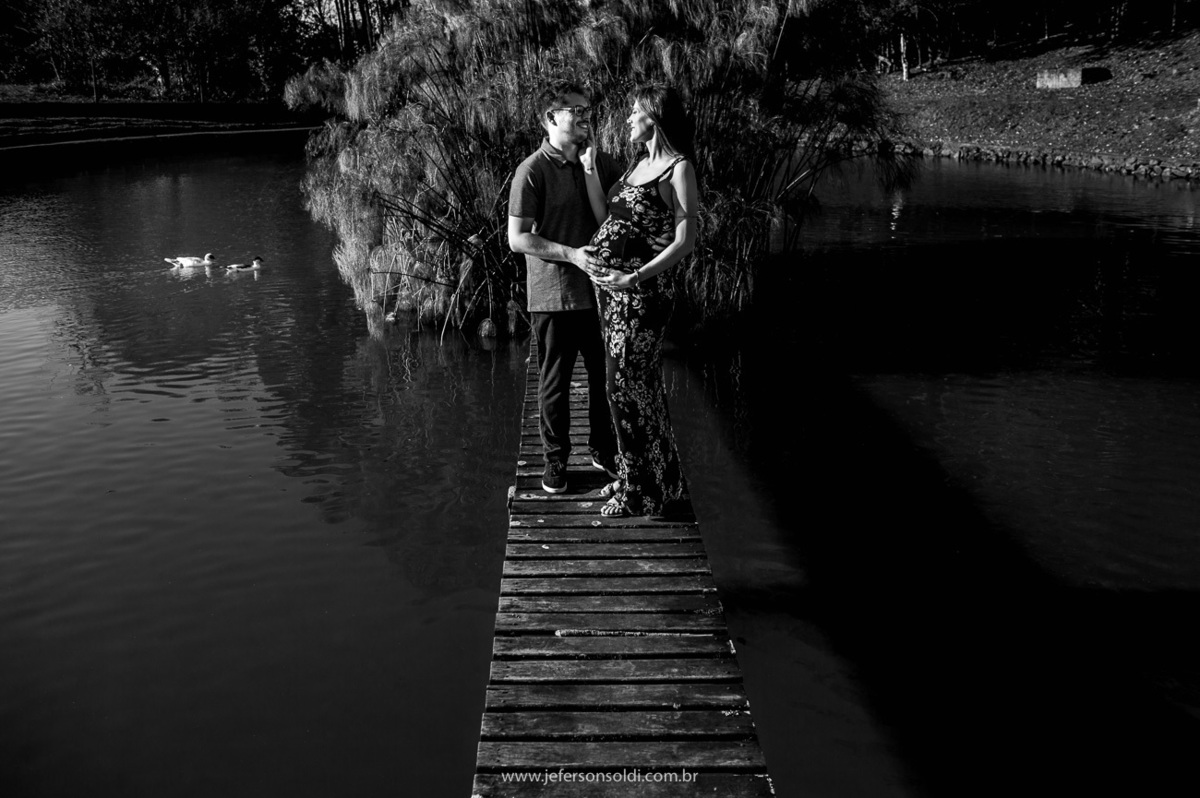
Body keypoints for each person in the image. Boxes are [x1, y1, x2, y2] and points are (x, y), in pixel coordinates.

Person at [581, 84, 699, 517]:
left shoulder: (677, 169)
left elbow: (686, 241)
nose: (628, 118)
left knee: (622, 387)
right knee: (639, 388)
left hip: (643, 296)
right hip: (612, 295)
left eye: (634, 112)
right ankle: (658, 480)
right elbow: (608, 219)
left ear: (655, 117)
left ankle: (639, 491)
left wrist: (633, 275)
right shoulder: (637, 165)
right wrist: (592, 172)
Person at [507, 81, 621, 494]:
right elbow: (517, 239)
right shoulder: (532, 170)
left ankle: (603, 449)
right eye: (576, 109)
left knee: (604, 378)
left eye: (588, 108)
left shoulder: (603, 163)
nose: (586, 115)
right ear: (551, 118)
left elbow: (622, 217)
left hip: (602, 292)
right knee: (554, 384)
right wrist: (572, 254)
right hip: (553, 295)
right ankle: (556, 462)